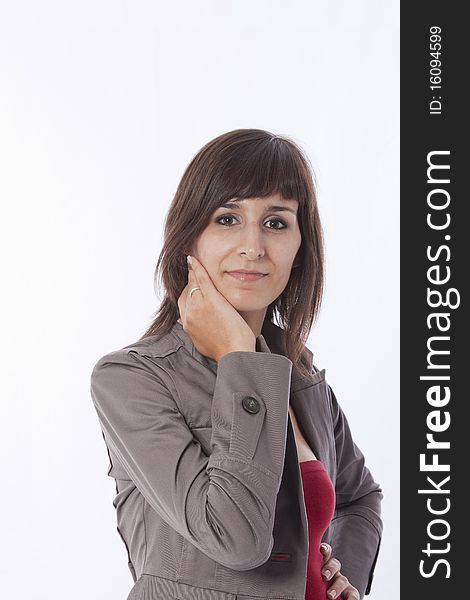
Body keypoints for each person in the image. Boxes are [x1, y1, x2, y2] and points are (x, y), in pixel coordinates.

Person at [90, 129, 383, 600]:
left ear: (300, 245)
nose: (253, 247)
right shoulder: (132, 380)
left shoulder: (301, 378)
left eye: (276, 223)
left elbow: (360, 497)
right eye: (227, 218)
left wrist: (341, 576)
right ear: (190, 237)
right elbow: (236, 540)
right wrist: (238, 357)